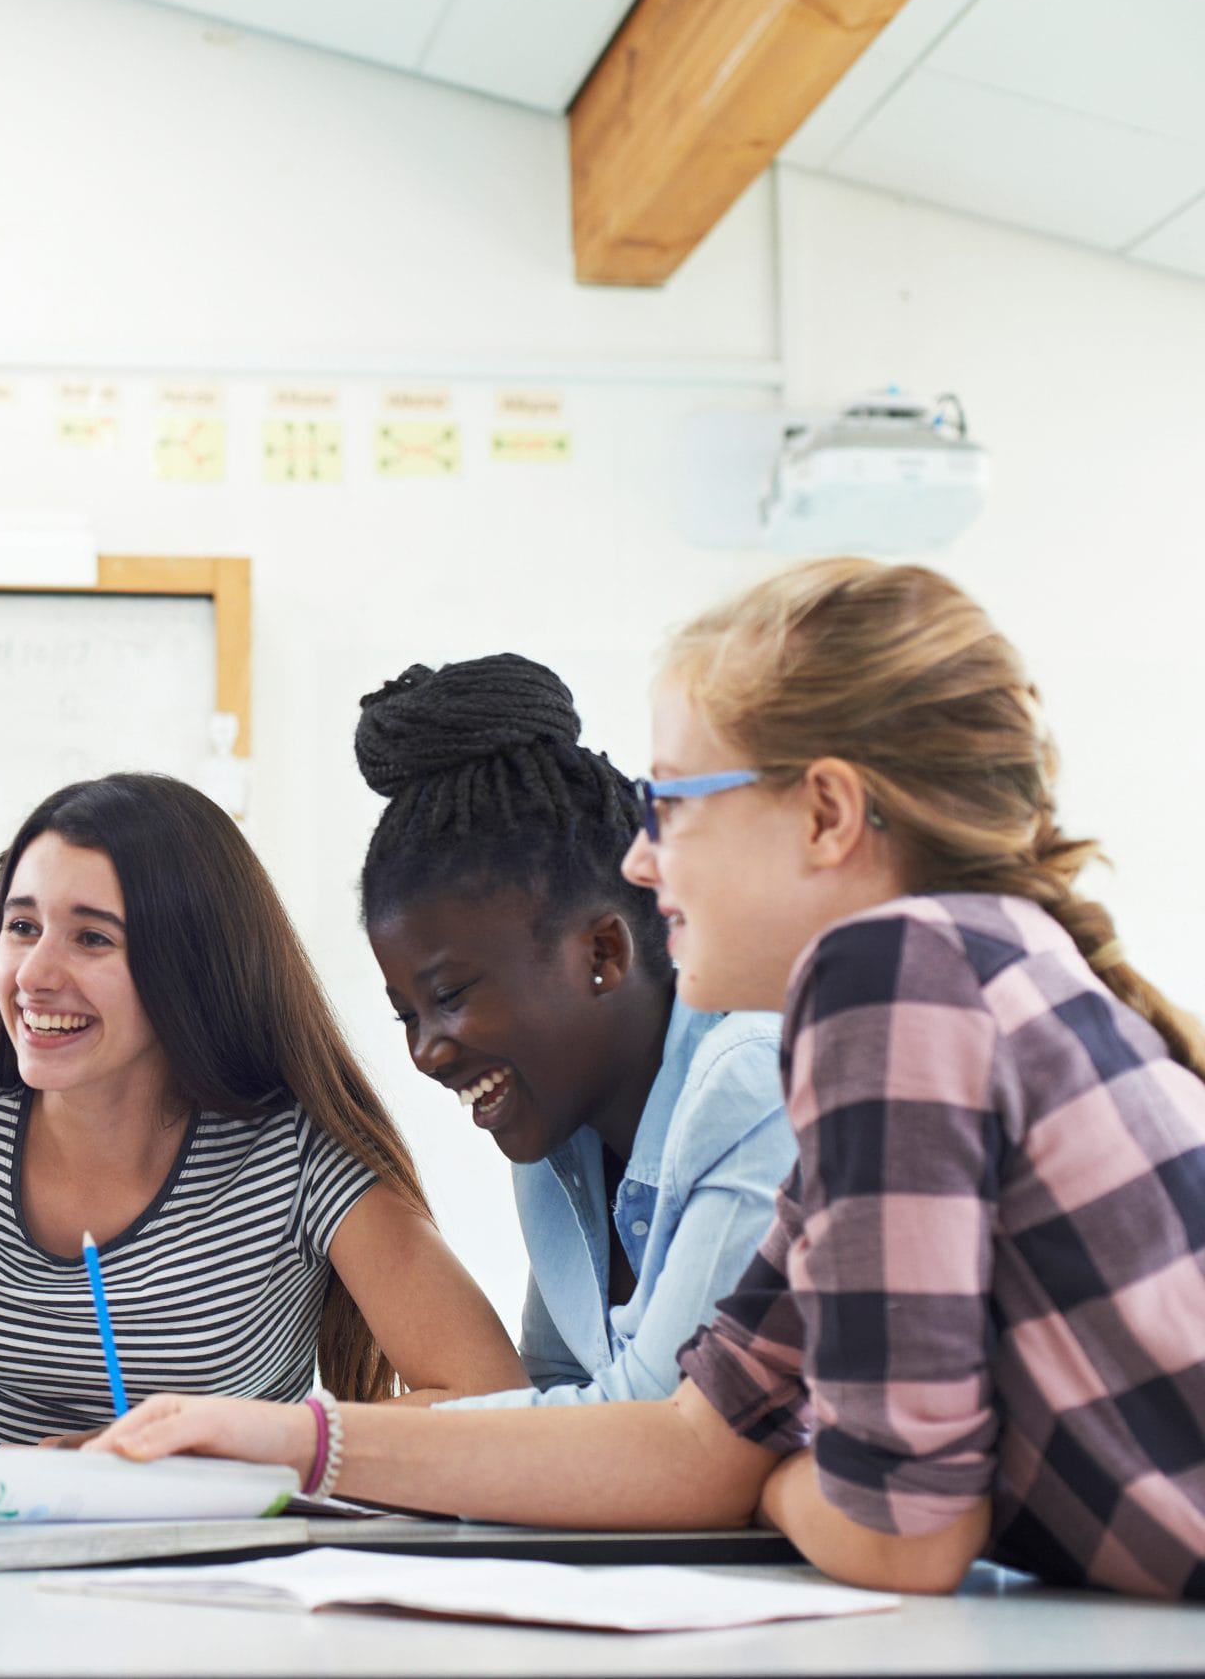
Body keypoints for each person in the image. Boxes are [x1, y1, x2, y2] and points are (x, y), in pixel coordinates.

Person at [89, 561, 1205, 1600]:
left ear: (824, 813)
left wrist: (771, 1483)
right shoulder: (946, 980)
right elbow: (690, 1436)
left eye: (671, 804)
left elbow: (901, 1530)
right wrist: (292, 1437)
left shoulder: (891, 977)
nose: (638, 859)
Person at [0, 772, 523, 1445]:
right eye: (22, 926)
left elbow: (490, 1403)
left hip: (228, 1607)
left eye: (92, 938)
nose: (34, 974)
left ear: (190, 965)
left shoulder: (293, 1152)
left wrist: (230, 1445)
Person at [354, 652, 790, 1405]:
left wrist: (317, 1442)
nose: (425, 1051)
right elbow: (557, 1386)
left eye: (450, 994)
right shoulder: (553, 1142)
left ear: (602, 952)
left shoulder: (755, 1081)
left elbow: (653, 1429)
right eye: (406, 1013)